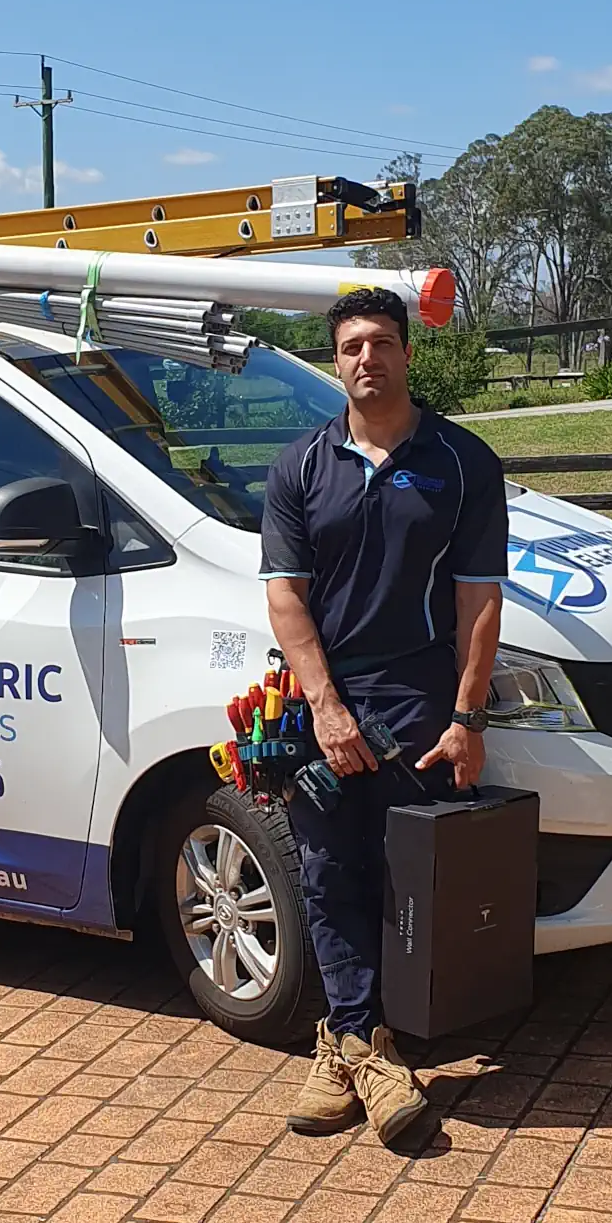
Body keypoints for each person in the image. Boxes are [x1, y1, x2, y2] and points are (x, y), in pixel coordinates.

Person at [262, 287, 507, 1145]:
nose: (367, 358)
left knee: (412, 879)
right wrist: (324, 708)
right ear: (336, 362)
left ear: (408, 353)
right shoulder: (299, 466)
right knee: (330, 875)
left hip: (419, 703)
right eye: (352, 346)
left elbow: (481, 599)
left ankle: (365, 1044)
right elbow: (286, 598)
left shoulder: (464, 461)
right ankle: (359, 1050)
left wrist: (468, 718)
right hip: (322, 708)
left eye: (382, 343)